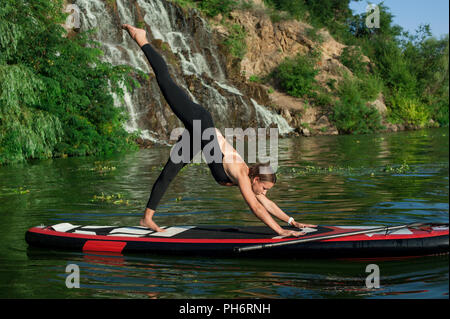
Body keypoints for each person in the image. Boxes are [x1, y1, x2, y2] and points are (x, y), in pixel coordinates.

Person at [122, 24, 316, 237]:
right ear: (256, 180)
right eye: (265, 188)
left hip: (200, 134)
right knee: (166, 81)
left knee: (168, 173)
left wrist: (292, 222)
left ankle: (146, 218)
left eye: (266, 190)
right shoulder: (242, 175)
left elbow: (266, 203)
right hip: (200, 121)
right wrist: (281, 232)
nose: (264, 193)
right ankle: (141, 38)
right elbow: (256, 208)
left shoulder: (251, 179)